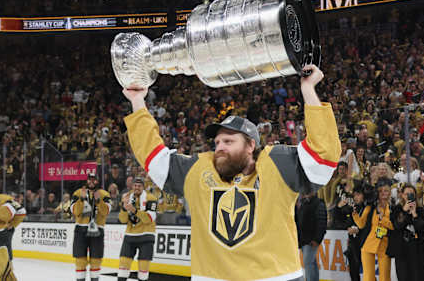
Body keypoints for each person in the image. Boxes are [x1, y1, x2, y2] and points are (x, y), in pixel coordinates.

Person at [123, 64, 341, 280]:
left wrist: (308, 90)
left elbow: (324, 156)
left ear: (250, 146)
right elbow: (153, 156)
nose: (219, 147)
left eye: (228, 141)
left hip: (277, 277)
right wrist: (137, 100)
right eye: (217, 142)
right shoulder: (199, 169)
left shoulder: (276, 164)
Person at [70, 173, 111, 281]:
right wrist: (81, 200)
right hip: (80, 229)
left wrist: (98, 201)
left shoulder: (104, 194)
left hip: (98, 229)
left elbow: (106, 212)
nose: (91, 182)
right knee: (80, 260)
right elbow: (75, 212)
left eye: (94, 179)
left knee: (96, 260)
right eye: (89, 179)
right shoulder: (78, 193)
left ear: (98, 181)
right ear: (86, 180)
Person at [388, 184, 424, 281]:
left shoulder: (422, 210)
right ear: (402, 195)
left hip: (418, 251)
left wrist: (415, 214)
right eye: (406, 194)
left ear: (415, 195)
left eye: (411, 194)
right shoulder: (396, 210)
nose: (408, 196)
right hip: (402, 252)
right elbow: (396, 226)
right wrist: (404, 211)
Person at [352, 179, 394, 281]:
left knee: (385, 277)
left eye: (386, 191)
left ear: (390, 193)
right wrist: (355, 214)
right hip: (368, 244)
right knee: (368, 277)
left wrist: (382, 218)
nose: (383, 193)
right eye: (381, 191)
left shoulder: (393, 207)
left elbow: (393, 226)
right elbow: (361, 224)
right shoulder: (370, 207)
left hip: (384, 245)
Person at [117, 177, 157, 281]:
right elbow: (122, 220)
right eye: (135, 185)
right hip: (130, 235)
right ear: (132, 186)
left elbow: (149, 218)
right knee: (123, 266)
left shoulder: (151, 197)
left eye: (139, 186)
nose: (137, 187)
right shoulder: (126, 197)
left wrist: (135, 211)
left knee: (143, 269)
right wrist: (124, 208)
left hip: (146, 235)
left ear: (143, 187)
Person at [333, 185, 365, 281]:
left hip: (366, 245)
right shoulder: (352, 208)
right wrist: (338, 208)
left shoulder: (368, 207)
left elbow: (371, 224)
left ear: (364, 195)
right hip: (353, 247)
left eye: (358, 195)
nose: (356, 197)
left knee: (369, 274)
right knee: (354, 274)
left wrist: (359, 230)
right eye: (354, 195)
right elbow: (338, 223)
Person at [295, 191, 327, 281]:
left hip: (311, 240)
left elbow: (321, 222)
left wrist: (317, 239)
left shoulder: (318, 203)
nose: (305, 192)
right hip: (304, 239)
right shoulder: (304, 203)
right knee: (311, 263)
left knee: (308, 262)